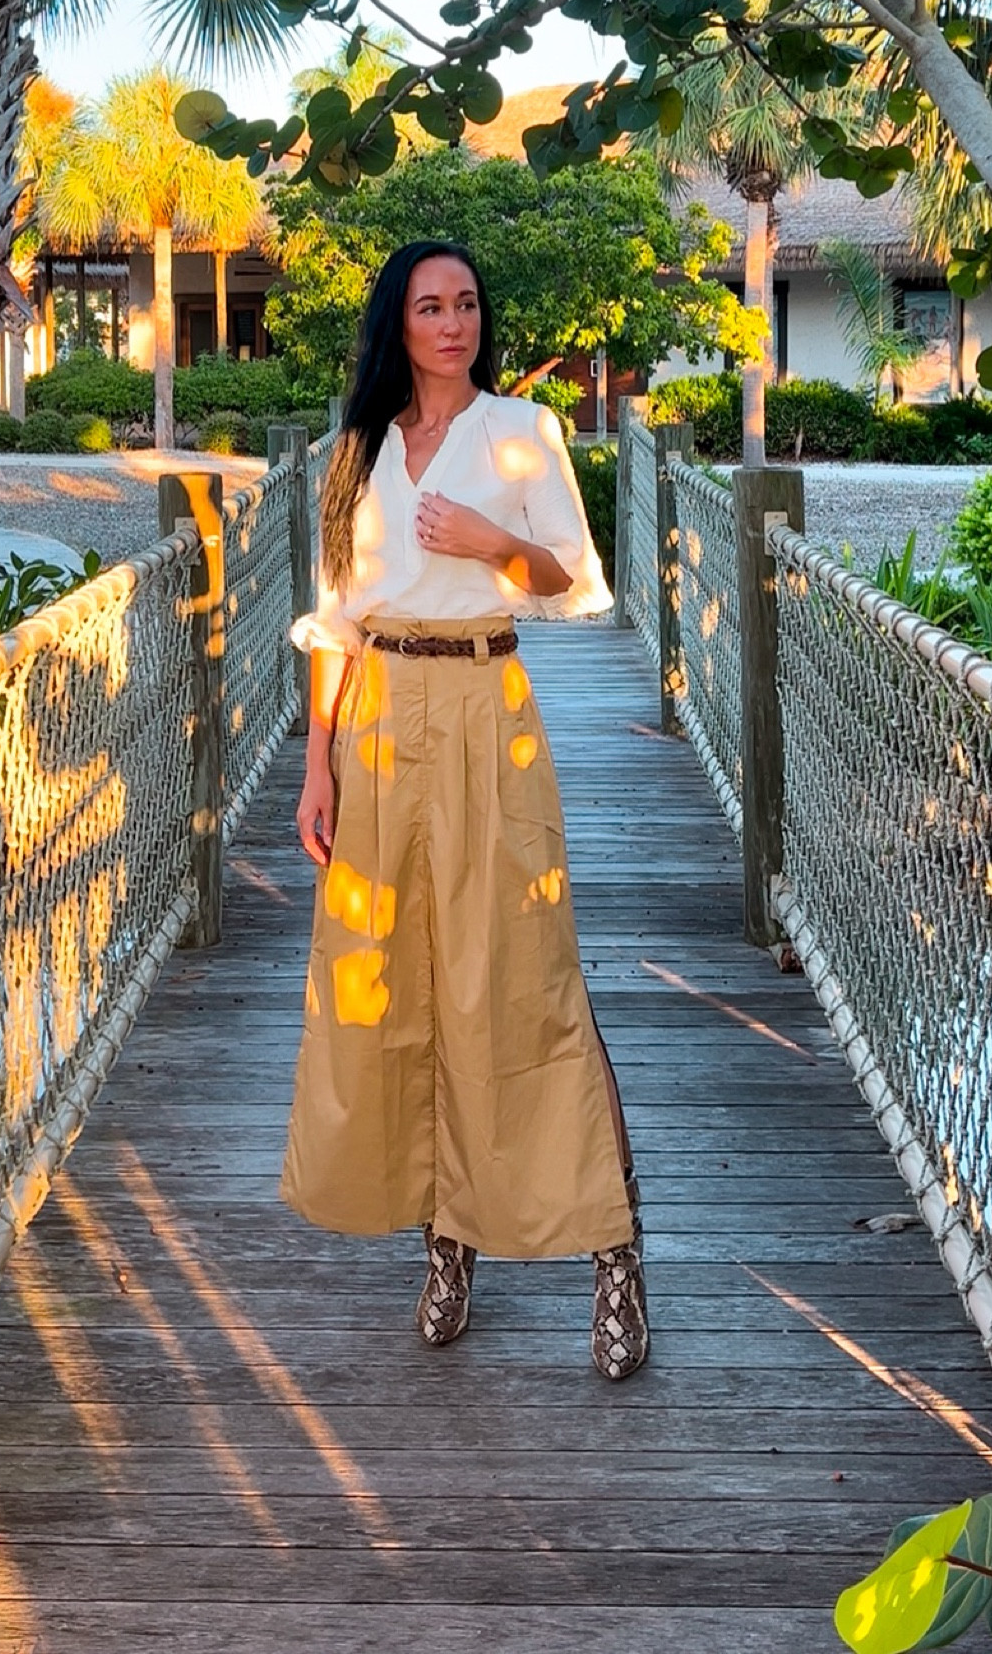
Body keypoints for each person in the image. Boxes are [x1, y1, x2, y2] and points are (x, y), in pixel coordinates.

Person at [283, 239, 648, 1380]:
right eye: (430, 306)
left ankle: (615, 1253)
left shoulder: (522, 435)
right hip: (380, 713)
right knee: (395, 971)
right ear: (397, 322)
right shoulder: (358, 451)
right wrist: (317, 763)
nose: (453, 323)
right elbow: (335, 618)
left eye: (469, 303)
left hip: (488, 703)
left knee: (522, 976)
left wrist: (496, 543)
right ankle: (447, 1240)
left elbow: (577, 584)